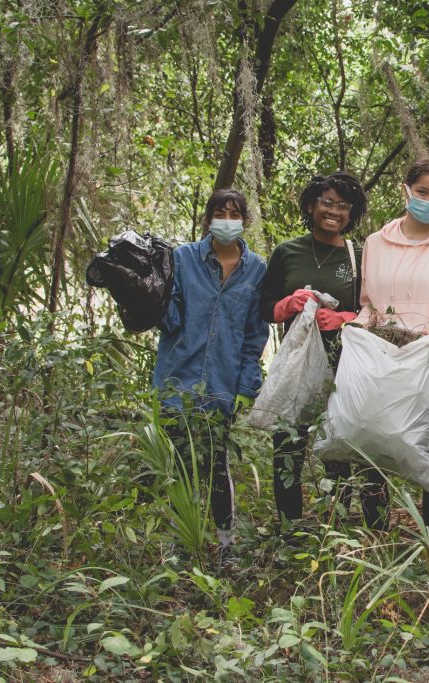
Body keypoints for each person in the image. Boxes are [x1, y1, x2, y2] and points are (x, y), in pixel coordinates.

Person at [353, 158, 429, 563]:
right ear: (404, 189)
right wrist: (358, 328)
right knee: (373, 447)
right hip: (381, 357)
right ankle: (375, 540)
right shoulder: (375, 242)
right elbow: (368, 304)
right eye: (422, 192)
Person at [259, 172, 388, 533]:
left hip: (349, 368)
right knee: (288, 448)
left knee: (352, 448)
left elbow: (377, 310)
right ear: (312, 205)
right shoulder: (288, 252)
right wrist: (288, 304)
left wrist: (345, 317)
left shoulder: (360, 255)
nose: (334, 211)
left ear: (353, 213)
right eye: (327, 203)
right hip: (299, 368)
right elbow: (264, 307)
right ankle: (289, 531)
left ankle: (360, 531)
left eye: (343, 206)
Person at [153, 188, 269, 568]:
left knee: (218, 465)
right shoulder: (183, 259)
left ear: (245, 221)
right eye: (220, 213)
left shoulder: (257, 270)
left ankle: (226, 545)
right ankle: (181, 544)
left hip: (223, 385)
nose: (227, 220)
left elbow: (255, 335)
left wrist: (245, 386)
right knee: (182, 464)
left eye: (235, 214)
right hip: (177, 380)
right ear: (208, 219)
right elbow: (168, 319)